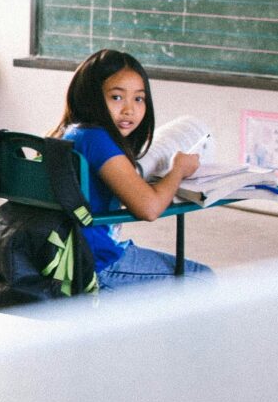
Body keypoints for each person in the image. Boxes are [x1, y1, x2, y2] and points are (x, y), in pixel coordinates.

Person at [52, 48, 213, 288]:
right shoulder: (96, 139)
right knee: (202, 279)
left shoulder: (69, 132)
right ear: (90, 97)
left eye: (139, 98)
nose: (129, 109)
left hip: (61, 261)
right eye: (117, 97)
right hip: (95, 268)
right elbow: (149, 208)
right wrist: (178, 169)